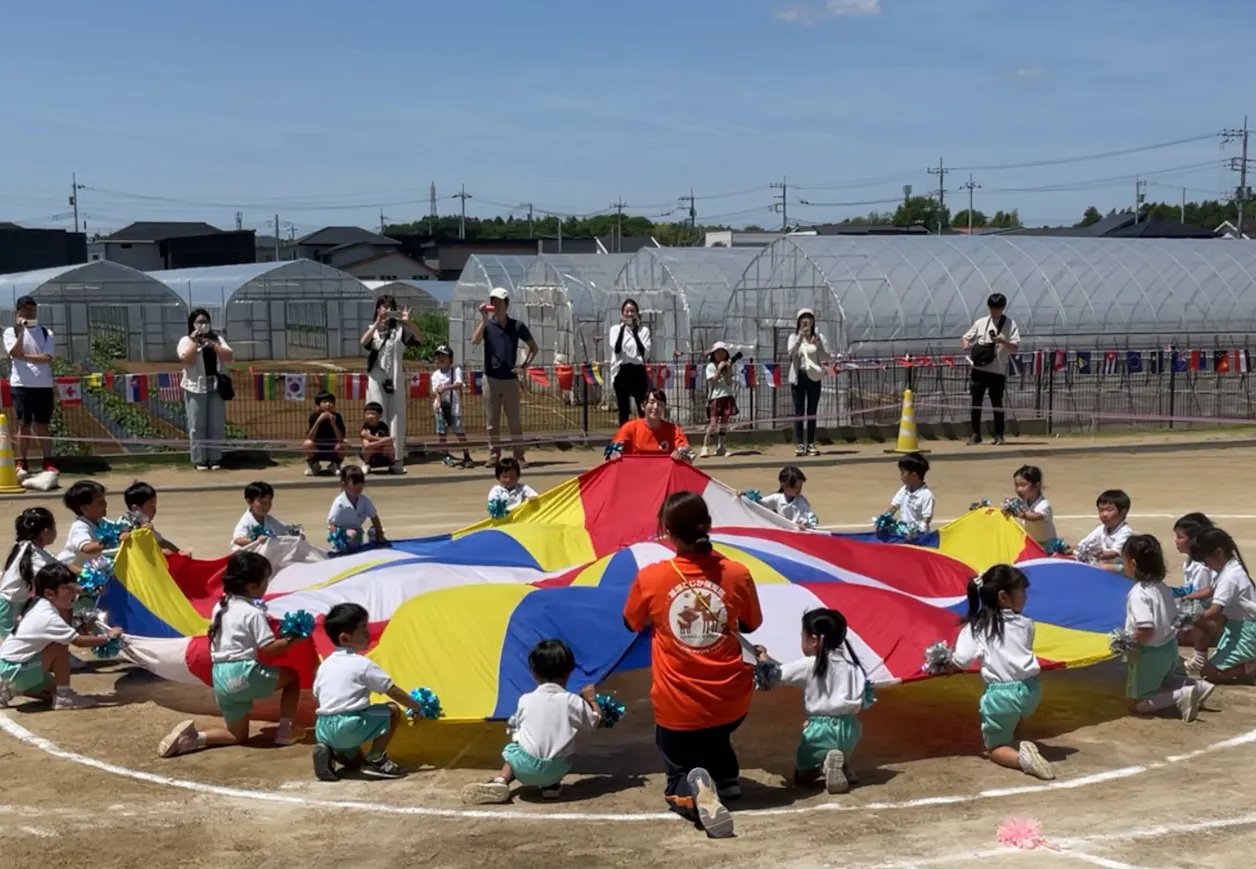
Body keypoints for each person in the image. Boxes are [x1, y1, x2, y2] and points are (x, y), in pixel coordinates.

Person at [623, 491, 763, 839]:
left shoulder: (653, 577)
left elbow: (631, 623)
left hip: (679, 708)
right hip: (732, 702)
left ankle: (689, 788)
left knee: (677, 759)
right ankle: (727, 778)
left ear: (668, 533)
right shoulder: (737, 572)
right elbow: (751, 624)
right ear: (709, 527)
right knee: (715, 732)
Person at [156, 552, 304, 757]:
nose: (266, 586)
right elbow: (269, 648)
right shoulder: (253, 613)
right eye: (265, 581)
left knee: (237, 735)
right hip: (243, 673)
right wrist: (293, 638)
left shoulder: (220, 606)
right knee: (292, 678)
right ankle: (286, 729)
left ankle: (193, 739)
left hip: (220, 677)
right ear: (252, 586)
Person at [461, 638, 602, 804]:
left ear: (533, 672)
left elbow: (517, 729)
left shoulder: (525, 700)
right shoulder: (572, 701)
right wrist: (591, 700)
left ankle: (501, 780)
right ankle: (551, 786)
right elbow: (595, 722)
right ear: (569, 671)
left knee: (515, 748)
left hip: (524, 768)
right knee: (557, 746)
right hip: (558, 768)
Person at [948, 564, 1055, 781]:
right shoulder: (1027, 624)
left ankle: (1021, 760)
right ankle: (1015, 736)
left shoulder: (976, 627)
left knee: (994, 748)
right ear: (1004, 597)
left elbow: (963, 660)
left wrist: (946, 661)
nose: (1025, 597)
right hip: (1031, 691)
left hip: (1001, 697)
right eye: (1023, 592)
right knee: (1014, 714)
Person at [755, 608, 869, 794]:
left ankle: (822, 767)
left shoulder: (808, 664)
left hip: (820, 731)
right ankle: (843, 764)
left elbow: (771, 678)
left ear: (814, 640)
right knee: (837, 746)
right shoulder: (853, 667)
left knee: (802, 777)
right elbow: (865, 698)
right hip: (851, 730)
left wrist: (762, 657)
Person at [311, 603, 429, 781]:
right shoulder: (362, 664)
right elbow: (392, 691)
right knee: (392, 710)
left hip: (323, 727)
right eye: (362, 628)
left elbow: (316, 694)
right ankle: (377, 758)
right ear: (345, 638)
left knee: (354, 760)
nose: (368, 632)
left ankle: (328, 750)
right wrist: (416, 706)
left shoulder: (325, 665)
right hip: (349, 724)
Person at [0, 562, 120, 709]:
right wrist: (108, 637)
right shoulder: (48, 616)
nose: (75, 592)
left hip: (9, 667)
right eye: (67, 588)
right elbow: (78, 641)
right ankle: (64, 698)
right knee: (59, 646)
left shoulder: (38, 602)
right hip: (15, 670)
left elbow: (67, 624)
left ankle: (7, 690)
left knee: (52, 692)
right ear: (50, 593)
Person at [1119, 535, 1212, 721]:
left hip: (1149, 654)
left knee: (1135, 703)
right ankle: (1199, 687)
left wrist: (1126, 640)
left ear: (1133, 564)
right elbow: (1174, 619)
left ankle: (1182, 695)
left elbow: (1146, 630)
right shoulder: (1162, 587)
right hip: (1169, 647)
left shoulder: (1138, 593)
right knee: (1166, 679)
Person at [471, 287, 538, 468]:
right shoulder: (487, 325)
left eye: (499, 301)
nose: (496, 305)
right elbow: (475, 340)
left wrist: (524, 367)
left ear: (506, 304)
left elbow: (534, 347)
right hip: (490, 379)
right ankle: (494, 454)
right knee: (492, 421)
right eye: (493, 301)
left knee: (514, 421)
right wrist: (483, 319)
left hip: (510, 380)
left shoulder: (516, 326)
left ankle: (519, 455)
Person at [361, 294, 422, 475]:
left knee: (396, 417)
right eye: (384, 307)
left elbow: (419, 338)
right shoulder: (373, 329)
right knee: (374, 415)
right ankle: (370, 459)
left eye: (390, 307)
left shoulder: (401, 330)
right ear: (378, 309)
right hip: (376, 377)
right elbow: (363, 342)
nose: (387, 311)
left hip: (395, 377)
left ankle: (396, 458)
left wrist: (407, 322)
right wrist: (376, 324)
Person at [1186, 528, 1256, 683]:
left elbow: (1215, 610)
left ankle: (1251, 666)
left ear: (1218, 552)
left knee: (1208, 675)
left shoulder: (1230, 577)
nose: (1206, 565)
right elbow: (1211, 589)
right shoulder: (1229, 567)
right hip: (1236, 626)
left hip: (1247, 632)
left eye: (1206, 560)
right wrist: (1188, 597)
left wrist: (1189, 618)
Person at [3, 295, 57, 475]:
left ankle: (47, 460)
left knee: (42, 425)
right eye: (25, 309)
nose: (29, 312)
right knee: (23, 425)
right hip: (21, 385)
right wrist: (22, 331)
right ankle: (22, 461)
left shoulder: (46, 333)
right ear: (17, 312)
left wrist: (24, 357)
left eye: (32, 309)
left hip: (43, 385)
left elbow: (47, 358)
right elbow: (14, 351)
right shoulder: (10, 332)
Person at [177, 308, 233, 471]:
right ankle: (199, 460)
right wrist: (195, 343)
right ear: (192, 324)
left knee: (216, 424)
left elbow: (228, 356)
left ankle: (215, 458)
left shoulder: (218, 339)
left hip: (215, 385)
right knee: (197, 424)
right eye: (199, 322)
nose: (202, 325)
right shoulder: (186, 340)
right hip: (195, 386)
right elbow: (185, 359)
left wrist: (213, 345)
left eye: (205, 321)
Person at [960, 292, 1020, 446]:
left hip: (997, 370)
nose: (995, 312)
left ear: (1003, 308)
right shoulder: (981, 322)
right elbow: (966, 337)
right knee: (976, 403)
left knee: (997, 404)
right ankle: (975, 434)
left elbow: (1015, 347)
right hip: (979, 369)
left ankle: (999, 435)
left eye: (998, 309)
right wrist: (966, 344)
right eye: (992, 309)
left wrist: (1002, 341)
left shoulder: (1010, 324)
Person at [0, 508, 58, 642]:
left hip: (17, 604)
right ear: (46, 532)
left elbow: (58, 565)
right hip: (9, 608)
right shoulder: (35, 557)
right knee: (17, 644)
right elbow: (56, 572)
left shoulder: (27, 547)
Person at [787, 308, 829, 457]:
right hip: (799, 377)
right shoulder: (793, 337)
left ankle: (810, 443)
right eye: (803, 319)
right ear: (798, 322)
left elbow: (826, 357)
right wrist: (800, 338)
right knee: (799, 411)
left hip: (813, 377)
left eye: (809, 319)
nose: (806, 322)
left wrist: (818, 345)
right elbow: (791, 354)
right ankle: (799, 443)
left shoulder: (818, 337)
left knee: (812, 411)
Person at [606, 389, 691, 462]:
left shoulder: (674, 430)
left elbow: (688, 453)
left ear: (664, 408)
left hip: (663, 477)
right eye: (652, 402)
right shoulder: (630, 428)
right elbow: (611, 451)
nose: (655, 407)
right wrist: (614, 454)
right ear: (643, 406)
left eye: (660, 404)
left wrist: (681, 452)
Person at [1173, 513, 1216, 654]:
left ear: (1193, 540)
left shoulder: (1202, 567)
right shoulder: (1190, 562)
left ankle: (1201, 651)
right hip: (1204, 613)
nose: (1176, 541)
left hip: (1213, 617)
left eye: (1180, 537)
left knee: (1167, 634)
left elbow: (1200, 600)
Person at [609, 299, 651, 426]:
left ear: (637, 313)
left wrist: (634, 332)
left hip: (637, 370)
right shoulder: (615, 329)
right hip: (621, 370)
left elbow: (644, 352)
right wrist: (623, 329)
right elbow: (616, 350)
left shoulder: (644, 331)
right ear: (622, 314)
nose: (629, 314)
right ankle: (624, 437)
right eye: (627, 311)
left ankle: (645, 433)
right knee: (623, 408)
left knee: (642, 405)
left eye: (632, 311)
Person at [430, 345, 473, 468]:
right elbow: (436, 390)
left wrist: (446, 387)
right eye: (438, 356)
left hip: (454, 406)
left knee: (459, 431)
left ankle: (467, 455)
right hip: (441, 407)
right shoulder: (435, 375)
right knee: (442, 433)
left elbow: (459, 384)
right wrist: (438, 401)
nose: (440, 358)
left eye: (444, 356)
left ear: (450, 359)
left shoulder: (456, 370)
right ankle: (446, 455)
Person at [1005, 466, 1065, 553]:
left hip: (1047, 545)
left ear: (1036, 486)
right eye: (1016, 485)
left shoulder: (1044, 505)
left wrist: (1021, 514)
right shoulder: (1023, 503)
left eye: (1023, 485)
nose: (1019, 489)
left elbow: (1035, 516)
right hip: (1032, 542)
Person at [1075, 490, 1133, 572]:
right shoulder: (1101, 529)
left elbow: (1114, 553)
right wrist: (1067, 549)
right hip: (1106, 566)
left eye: (1109, 510)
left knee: (1100, 567)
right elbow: (1084, 544)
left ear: (1123, 512)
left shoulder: (1125, 532)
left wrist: (1092, 552)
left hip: (1122, 570)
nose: (1104, 514)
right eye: (1101, 510)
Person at [58, 480, 110, 571]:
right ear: (85, 508)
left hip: (90, 568)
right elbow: (87, 548)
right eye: (100, 501)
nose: (105, 504)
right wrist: (112, 540)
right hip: (71, 569)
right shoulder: (80, 526)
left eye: (104, 499)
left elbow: (118, 528)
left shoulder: (102, 522)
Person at [328, 465, 386, 547]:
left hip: (357, 531)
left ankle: (376, 546)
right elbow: (332, 524)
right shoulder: (339, 503)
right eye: (354, 483)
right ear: (344, 484)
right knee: (352, 534)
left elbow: (374, 517)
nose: (359, 486)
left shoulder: (365, 501)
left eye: (361, 483)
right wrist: (336, 539)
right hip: (340, 532)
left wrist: (379, 533)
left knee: (374, 530)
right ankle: (344, 550)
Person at [231, 481, 298, 550]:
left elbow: (284, 530)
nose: (266, 506)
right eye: (262, 502)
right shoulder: (246, 520)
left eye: (268, 502)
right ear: (249, 502)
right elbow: (238, 539)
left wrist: (295, 533)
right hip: (246, 556)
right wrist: (255, 540)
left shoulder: (268, 519)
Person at [123, 482, 183, 556]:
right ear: (136, 509)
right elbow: (138, 548)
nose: (155, 508)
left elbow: (162, 542)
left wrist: (179, 552)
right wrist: (161, 551)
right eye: (151, 504)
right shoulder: (128, 526)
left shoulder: (145, 523)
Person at [701, 342, 737, 459]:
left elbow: (729, 382)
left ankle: (721, 446)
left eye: (722, 352)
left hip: (727, 395)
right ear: (713, 354)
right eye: (717, 352)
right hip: (715, 397)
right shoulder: (710, 367)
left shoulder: (728, 365)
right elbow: (713, 382)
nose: (720, 354)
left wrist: (728, 368)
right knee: (713, 423)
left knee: (725, 423)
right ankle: (705, 446)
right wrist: (719, 368)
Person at [752, 466, 818, 528]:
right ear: (784, 485)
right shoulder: (776, 498)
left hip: (796, 534)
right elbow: (759, 503)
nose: (798, 490)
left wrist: (806, 524)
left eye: (800, 487)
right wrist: (746, 497)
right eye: (795, 487)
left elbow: (810, 517)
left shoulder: (802, 502)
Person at [302, 391, 347, 477]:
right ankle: (314, 465)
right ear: (318, 404)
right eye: (325, 402)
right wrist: (318, 421)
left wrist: (333, 424)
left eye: (331, 402)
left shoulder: (337, 417)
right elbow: (310, 437)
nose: (328, 404)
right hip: (318, 447)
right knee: (307, 444)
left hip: (332, 446)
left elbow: (341, 438)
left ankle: (335, 464)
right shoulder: (314, 416)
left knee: (344, 444)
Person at [889, 452, 934, 535]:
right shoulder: (904, 490)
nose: (901, 476)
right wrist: (886, 518)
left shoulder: (926, 495)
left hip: (917, 536)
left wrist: (917, 531)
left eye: (903, 473)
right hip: (902, 532)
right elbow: (894, 506)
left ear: (914, 475)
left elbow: (926, 519)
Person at [359, 402, 395, 472]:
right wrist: (383, 441)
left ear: (380, 415)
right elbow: (367, 445)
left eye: (373, 414)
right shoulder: (365, 428)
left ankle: (393, 465)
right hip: (371, 457)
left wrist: (370, 437)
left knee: (390, 447)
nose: (370, 416)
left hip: (382, 455)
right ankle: (366, 464)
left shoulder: (383, 426)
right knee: (365, 449)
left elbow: (388, 442)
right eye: (367, 414)